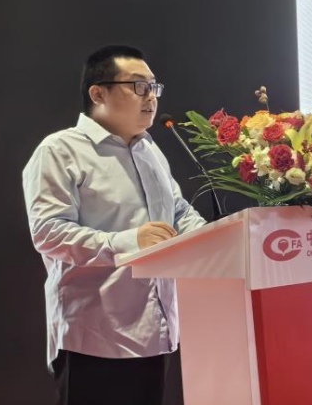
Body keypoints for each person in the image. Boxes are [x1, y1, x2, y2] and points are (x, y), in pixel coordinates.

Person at [22, 45, 208, 405]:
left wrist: (209, 237)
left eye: (154, 87)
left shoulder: (150, 150)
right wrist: (128, 242)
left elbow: (177, 210)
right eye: (139, 86)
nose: (151, 96)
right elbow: (48, 232)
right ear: (98, 93)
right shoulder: (59, 151)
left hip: (156, 331)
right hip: (95, 337)